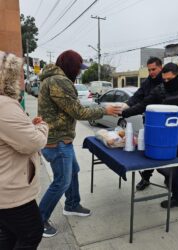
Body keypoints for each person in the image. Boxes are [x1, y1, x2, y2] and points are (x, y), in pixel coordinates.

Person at [38, 50, 121, 237]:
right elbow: (79, 112)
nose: (79, 72)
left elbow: (76, 108)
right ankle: (39, 220)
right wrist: (104, 109)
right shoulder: (59, 81)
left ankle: (72, 204)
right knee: (61, 182)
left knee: (73, 171)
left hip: (62, 139)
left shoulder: (53, 78)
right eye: (77, 68)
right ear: (70, 66)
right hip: (56, 141)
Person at [122, 63, 178, 220]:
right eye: (164, 79)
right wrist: (125, 112)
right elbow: (144, 105)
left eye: (170, 79)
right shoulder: (160, 90)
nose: (167, 82)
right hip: (170, 138)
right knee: (175, 171)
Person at [0, 51, 49, 249]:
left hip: (5, 188)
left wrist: (27, 125)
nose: (21, 79)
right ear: (7, 76)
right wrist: (41, 127)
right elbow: (34, 142)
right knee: (32, 233)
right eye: (16, 74)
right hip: (10, 191)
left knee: (8, 234)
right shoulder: (4, 106)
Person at [122, 57, 164, 191]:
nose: (151, 72)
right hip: (150, 121)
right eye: (149, 69)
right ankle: (146, 178)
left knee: (166, 151)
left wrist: (126, 113)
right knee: (149, 149)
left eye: (154, 69)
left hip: (165, 123)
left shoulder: (167, 81)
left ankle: (169, 177)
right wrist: (126, 105)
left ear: (160, 67)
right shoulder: (147, 82)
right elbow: (137, 97)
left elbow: (143, 104)